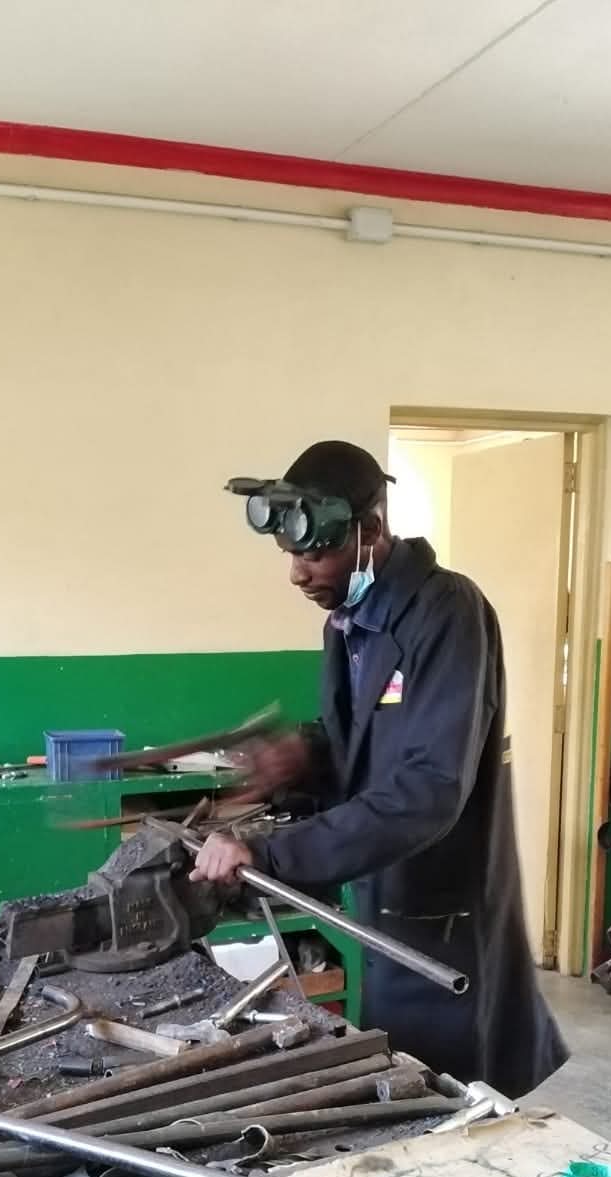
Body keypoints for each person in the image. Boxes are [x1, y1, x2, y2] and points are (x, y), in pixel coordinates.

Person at [191, 439, 566, 1098]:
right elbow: (360, 744)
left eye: (313, 555)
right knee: (402, 1076)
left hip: (441, 911)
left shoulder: (448, 612)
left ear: (369, 530)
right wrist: (303, 758)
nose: (298, 575)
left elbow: (430, 787)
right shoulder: (349, 621)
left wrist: (271, 854)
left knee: (448, 1092)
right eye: (291, 557)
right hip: (382, 894)